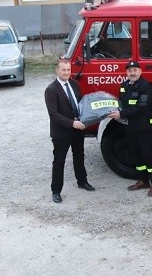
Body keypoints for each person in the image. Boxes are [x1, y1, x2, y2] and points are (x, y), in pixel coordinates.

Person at [45, 59, 95, 204]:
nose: (66, 72)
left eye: (68, 70)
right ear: (57, 71)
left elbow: (79, 104)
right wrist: (72, 123)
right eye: (63, 70)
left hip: (77, 129)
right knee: (59, 161)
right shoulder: (51, 90)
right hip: (61, 132)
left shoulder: (74, 84)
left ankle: (82, 181)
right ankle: (56, 191)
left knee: (79, 155)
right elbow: (53, 114)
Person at [108, 61, 152, 196]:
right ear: (126, 73)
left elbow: (142, 107)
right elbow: (122, 103)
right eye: (130, 70)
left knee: (149, 155)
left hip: (143, 127)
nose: (132, 73)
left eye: (135, 70)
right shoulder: (124, 86)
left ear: (140, 72)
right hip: (129, 127)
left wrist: (121, 114)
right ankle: (143, 180)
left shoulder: (146, 86)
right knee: (136, 155)